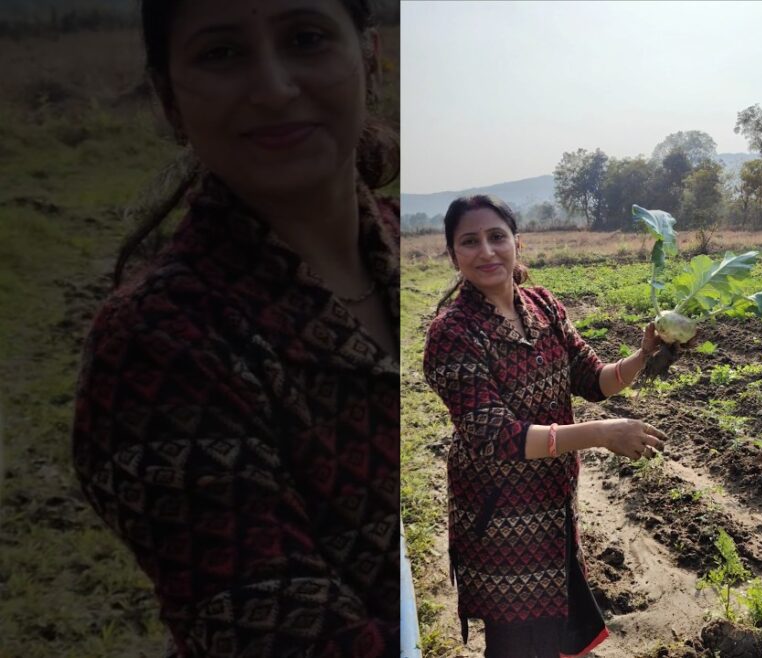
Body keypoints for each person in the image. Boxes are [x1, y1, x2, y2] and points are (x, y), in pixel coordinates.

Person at [70, 1, 400, 656]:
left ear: (369, 57)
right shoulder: (156, 345)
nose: (274, 88)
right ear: (169, 99)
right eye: (221, 53)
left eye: (306, 38)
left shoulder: (417, 246)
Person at [422, 195, 669, 658]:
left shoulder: (542, 306)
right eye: (470, 241)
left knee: (559, 632)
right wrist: (601, 434)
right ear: (453, 255)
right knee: (519, 644)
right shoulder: (452, 332)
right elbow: (495, 436)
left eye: (497, 236)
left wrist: (643, 355)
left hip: (555, 508)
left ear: (517, 243)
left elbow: (593, 379)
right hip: (502, 522)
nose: (486, 251)